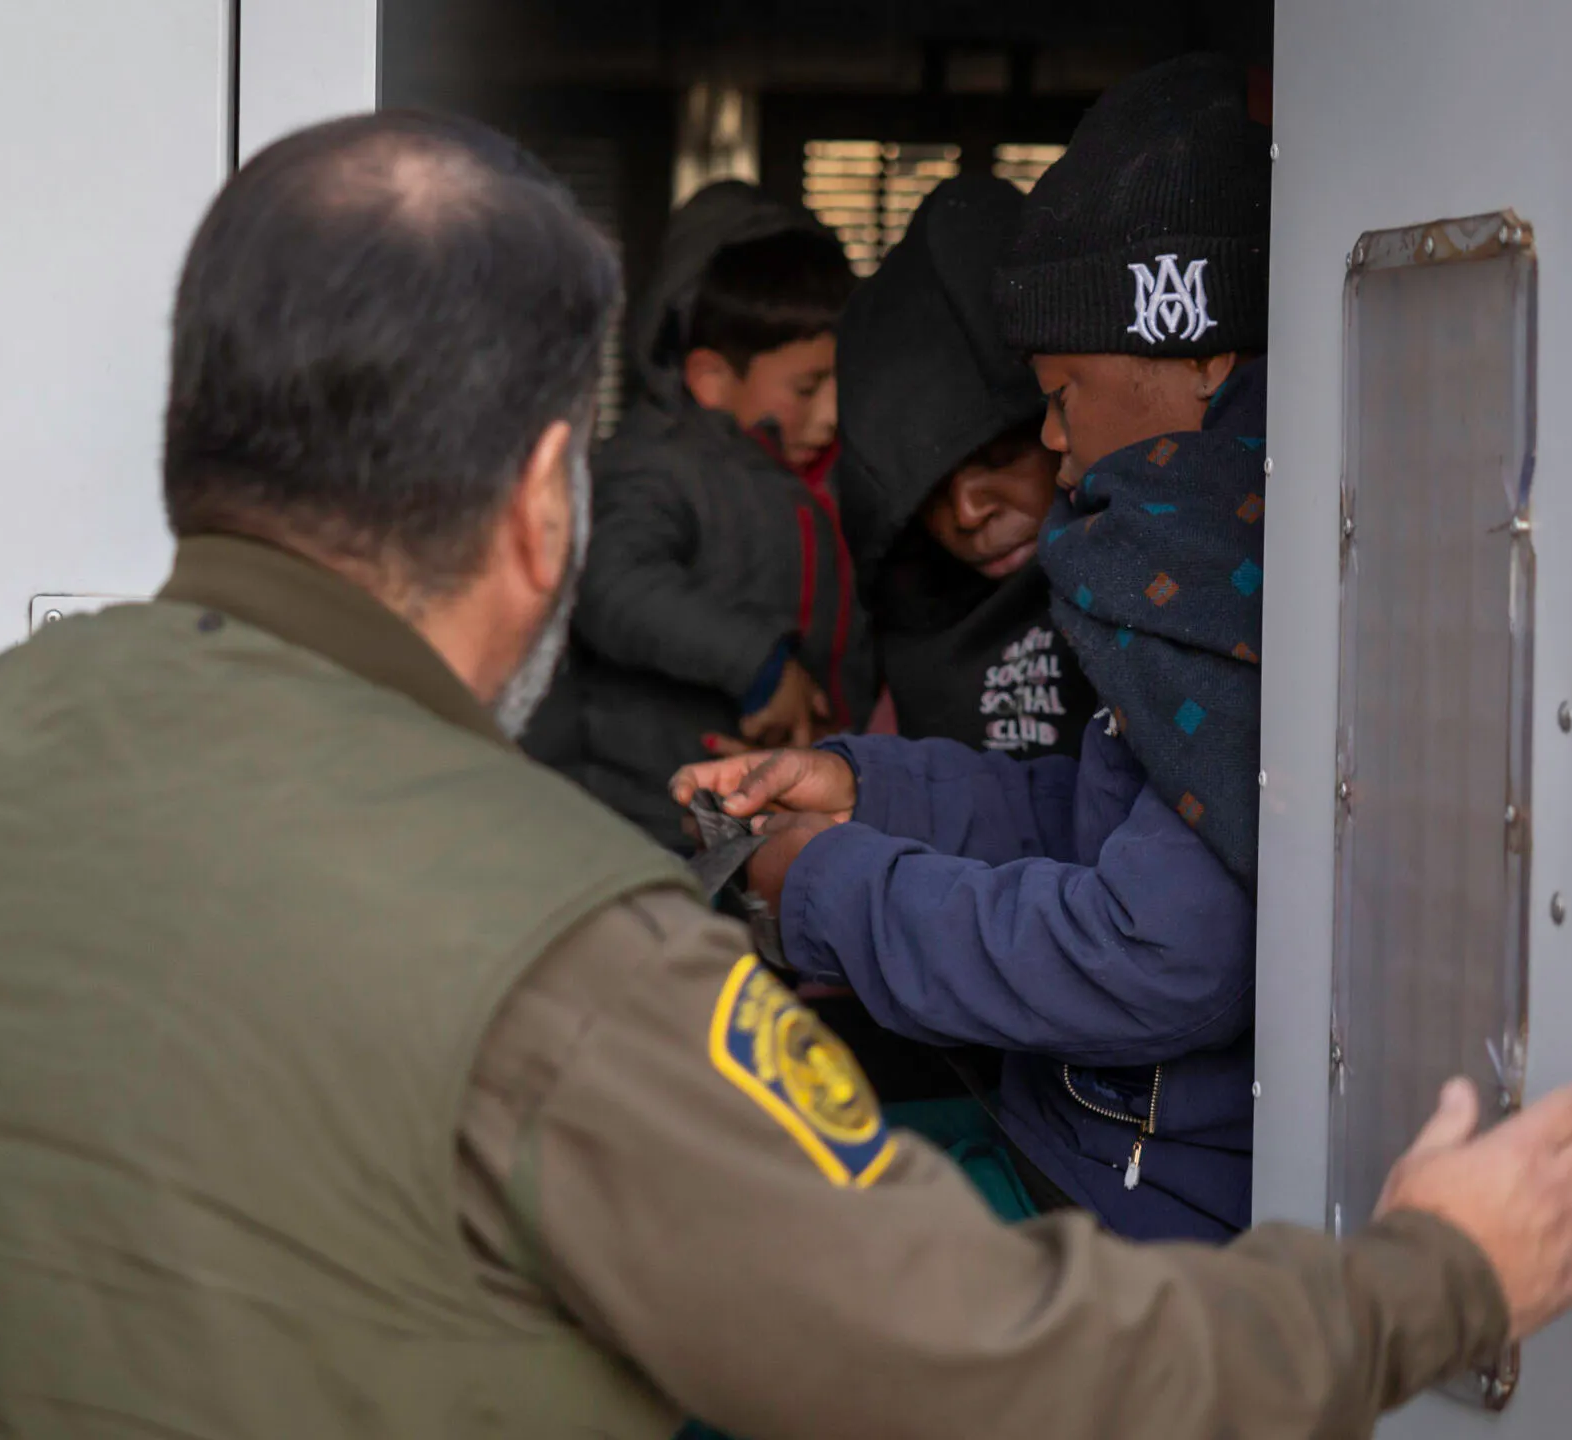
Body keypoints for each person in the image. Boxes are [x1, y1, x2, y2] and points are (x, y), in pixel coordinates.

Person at [0, 110, 1572, 1440]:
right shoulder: (555, 957)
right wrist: (1430, 1282)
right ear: (552, 503)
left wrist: (870, 816)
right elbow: (979, 1374)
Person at [675, 53, 1277, 1243]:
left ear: (1202, 361)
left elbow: (1155, 951)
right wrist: (867, 785)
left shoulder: (1215, 584)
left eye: (1062, 393)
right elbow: (1103, 827)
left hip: (1131, 1212)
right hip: (1069, 1140)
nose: (1053, 443)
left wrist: (824, 887)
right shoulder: (1197, 562)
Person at [526, 181, 870, 849]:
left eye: (842, 381)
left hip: (774, 811)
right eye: (806, 388)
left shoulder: (825, 476)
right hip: (652, 816)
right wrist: (760, 668)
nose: (832, 414)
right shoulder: (655, 463)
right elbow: (607, 579)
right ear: (711, 377)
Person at [833, 172, 1096, 763]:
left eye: (999, 457)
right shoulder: (909, 627)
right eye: (920, 489)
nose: (968, 512)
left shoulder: (1155, 599)